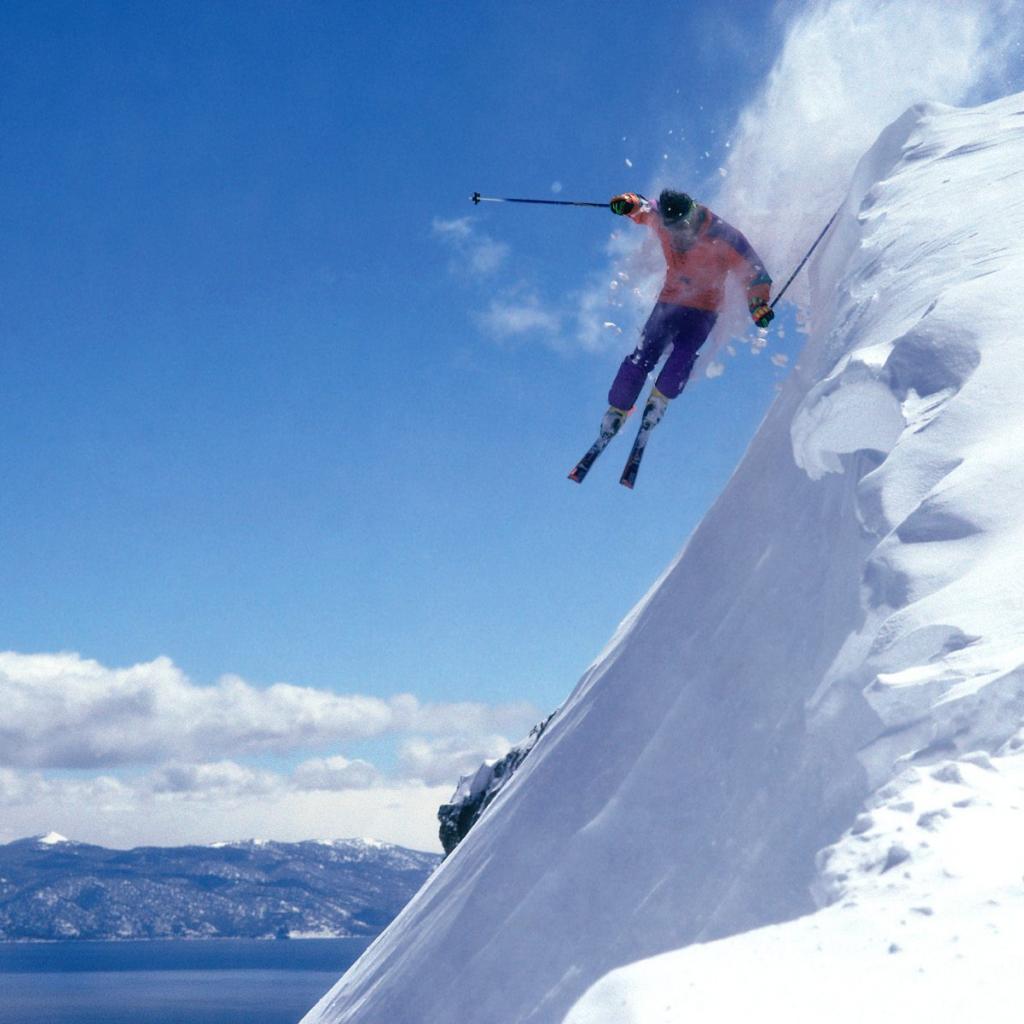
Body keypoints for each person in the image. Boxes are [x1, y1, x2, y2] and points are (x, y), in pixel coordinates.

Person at [599, 188, 774, 444]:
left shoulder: (723, 236)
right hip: (669, 302)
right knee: (642, 356)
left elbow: (754, 271)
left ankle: (660, 400)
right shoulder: (662, 218)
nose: (678, 234)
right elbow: (643, 207)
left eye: (682, 227)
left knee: (683, 356)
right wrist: (628, 203)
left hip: (705, 309)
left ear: (692, 216)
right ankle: (618, 408)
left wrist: (757, 303)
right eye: (672, 228)